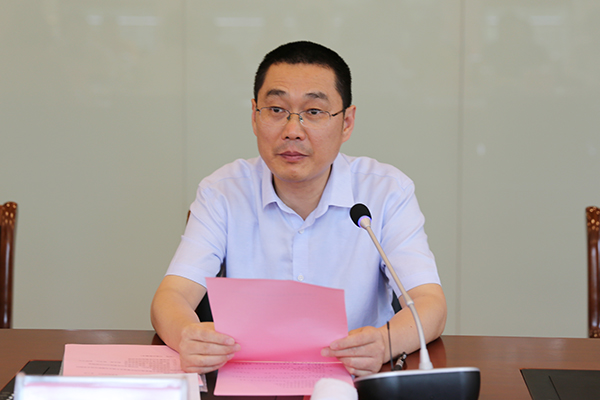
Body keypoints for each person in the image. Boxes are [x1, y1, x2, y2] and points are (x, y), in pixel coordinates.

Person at [151, 41, 446, 377]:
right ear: (255, 116)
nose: (292, 131)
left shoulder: (386, 191)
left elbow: (429, 303)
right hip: (248, 380)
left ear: (347, 122)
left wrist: (384, 343)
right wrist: (187, 335)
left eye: (314, 112)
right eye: (276, 110)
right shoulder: (223, 192)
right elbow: (170, 297)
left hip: (355, 381)